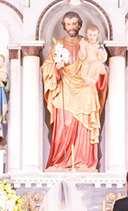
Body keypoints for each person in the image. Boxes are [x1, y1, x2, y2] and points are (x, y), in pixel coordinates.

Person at [41, 11, 107, 170]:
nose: (71, 27)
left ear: (80, 25)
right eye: (68, 24)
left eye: (74, 24)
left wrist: (96, 74)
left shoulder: (88, 42)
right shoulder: (59, 44)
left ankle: (84, 162)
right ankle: (60, 162)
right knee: (65, 125)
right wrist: (56, 67)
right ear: (64, 26)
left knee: (84, 127)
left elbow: (99, 64)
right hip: (65, 88)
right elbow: (46, 67)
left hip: (85, 88)